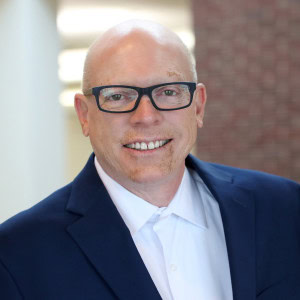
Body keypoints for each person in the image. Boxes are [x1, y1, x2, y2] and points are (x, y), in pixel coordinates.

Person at [0, 20, 299, 300]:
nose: (145, 117)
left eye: (168, 92)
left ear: (198, 107)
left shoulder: (286, 210)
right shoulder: (17, 254)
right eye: (118, 96)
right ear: (84, 115)